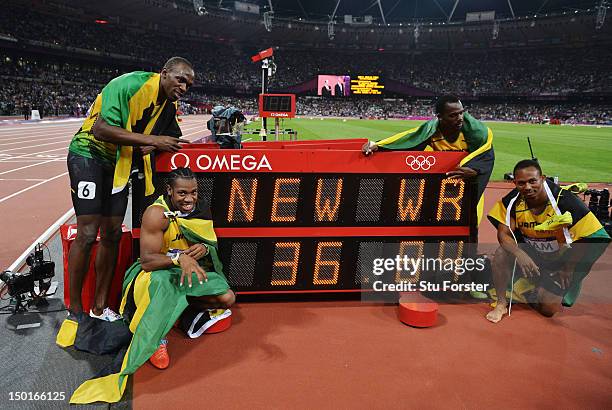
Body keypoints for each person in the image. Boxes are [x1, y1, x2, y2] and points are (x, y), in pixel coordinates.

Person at [67, 167, 235, 404]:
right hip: (155, 273)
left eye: (194, 192)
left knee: (227, 298)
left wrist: (205, 249)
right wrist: (179, 258)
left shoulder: (200, 208)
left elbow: (208, 241)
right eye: (182, 193)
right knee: (163, 286)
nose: (189, 199)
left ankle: (177, 313)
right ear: (169, 191)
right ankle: (158, 339)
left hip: (183, 271)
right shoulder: (156, 214)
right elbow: (147, 262)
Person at [65, 57, 193, 322]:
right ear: (164, 72)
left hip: (119, 164)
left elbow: (171, 139)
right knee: (88, 233)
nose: (183, 87)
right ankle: (75, 310)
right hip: (88, 154)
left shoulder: (168, 105)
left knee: (112, 234)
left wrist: (155, 145)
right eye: (180, 79)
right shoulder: (128, 84)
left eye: (189, 84)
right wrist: (152, 140)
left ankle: (99, 308)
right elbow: (102, 130)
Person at [486, 159, 610, 323]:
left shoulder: (564, 201)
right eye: (521, 183)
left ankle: (533, 288)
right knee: (502, 252)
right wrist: (519, 253)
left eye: (532, 181)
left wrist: (569, 267)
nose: (528, 187)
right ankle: (502, 303)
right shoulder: (512, 201)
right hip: (532, 253)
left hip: (560, 259)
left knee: (548, 310)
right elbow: (504, 234)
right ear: (514, 182)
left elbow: (586, 237)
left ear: (543, 178)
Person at [361, 95, 494, 224]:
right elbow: (409, 139)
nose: (459, 118)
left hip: (469, 186)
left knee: (470, 223)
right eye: (453, 115)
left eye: (461, 113)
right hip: (444, 186)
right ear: (440, 117)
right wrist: (378, 145)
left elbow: (486, 155)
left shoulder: (478, 132)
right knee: (441, 224)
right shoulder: (431, 130)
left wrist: (475, 170)